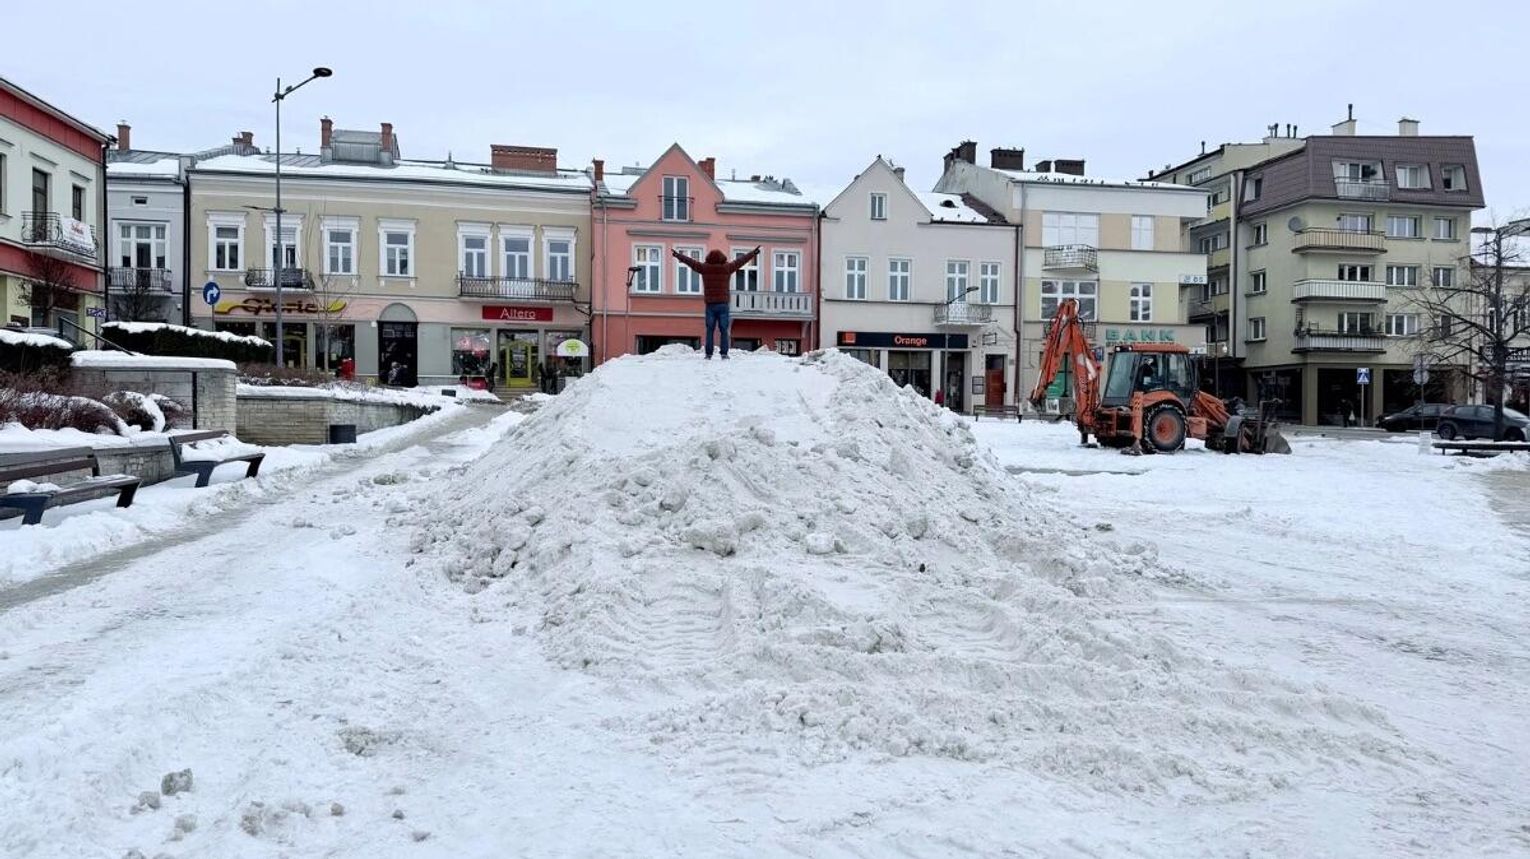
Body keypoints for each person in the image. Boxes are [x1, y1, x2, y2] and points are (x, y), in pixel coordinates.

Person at [671, 246, 761, 360]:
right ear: (722, 258)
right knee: (724, 330)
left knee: (710, 330)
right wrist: (753, 253)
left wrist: (678, 255)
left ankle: (708, 354)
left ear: (709, 258)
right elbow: (740, 261)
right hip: (723, 304)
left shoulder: (705, 268)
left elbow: (691, 262)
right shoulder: (727, 268)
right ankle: (724, 353)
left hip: (710, 305)